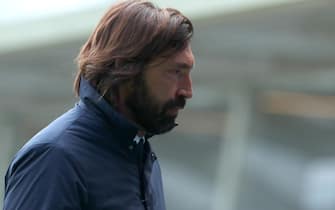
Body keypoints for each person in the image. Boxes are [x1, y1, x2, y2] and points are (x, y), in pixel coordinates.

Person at [4, 0, 194, 209]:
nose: (187, 90)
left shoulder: (141, 156)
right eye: (176, 72)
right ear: (126, 69)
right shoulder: (54, 159)